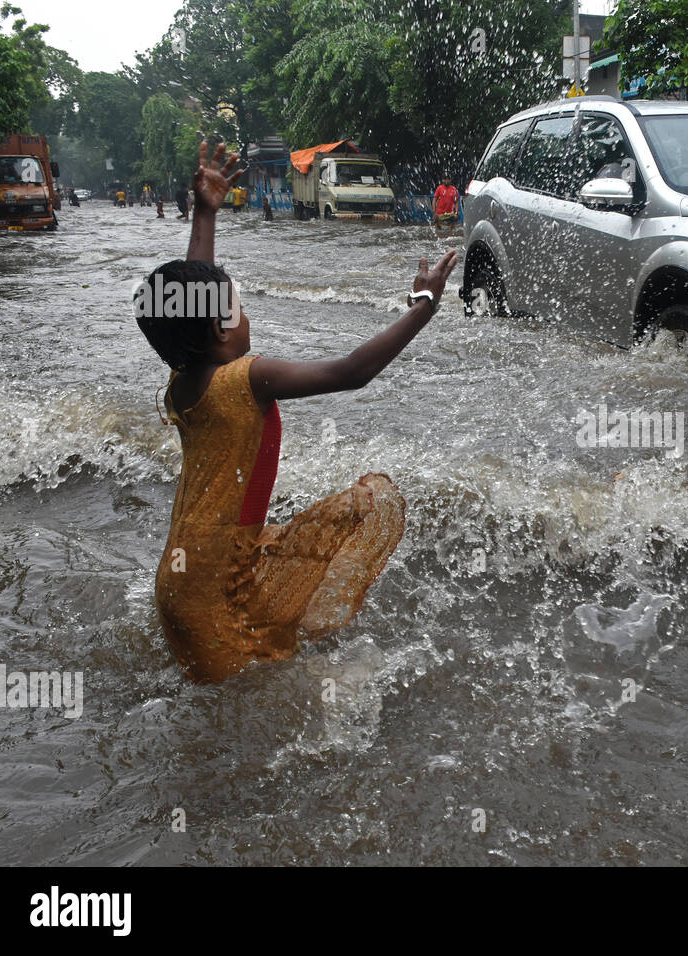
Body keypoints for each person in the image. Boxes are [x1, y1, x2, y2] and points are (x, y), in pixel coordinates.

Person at [134, 141, 456, 683]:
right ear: (218, 327)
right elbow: (351, 371)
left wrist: (207, 212)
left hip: (182, 576)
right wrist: (423, 307)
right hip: (214, 584)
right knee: (240, 728)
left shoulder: (182, 383)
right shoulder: (250, 378)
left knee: (215, 705)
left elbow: (195, 299)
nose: (243, 314)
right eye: (237, 305)